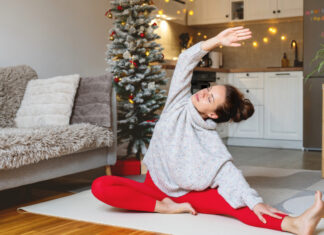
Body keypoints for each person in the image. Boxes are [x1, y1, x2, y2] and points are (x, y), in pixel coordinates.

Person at [92, 26, 324, 234]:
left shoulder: (210, 140)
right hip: (156, 187)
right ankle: (164, 208)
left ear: (213, 114)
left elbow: (229, 175)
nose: (203, 92)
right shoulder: (177, 105)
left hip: (188, 195)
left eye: (210, 97)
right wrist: (216, 41)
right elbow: (184, 61)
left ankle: (295, 224)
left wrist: (254, 202)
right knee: (100, 186)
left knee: (237, 204)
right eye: (210, 89)